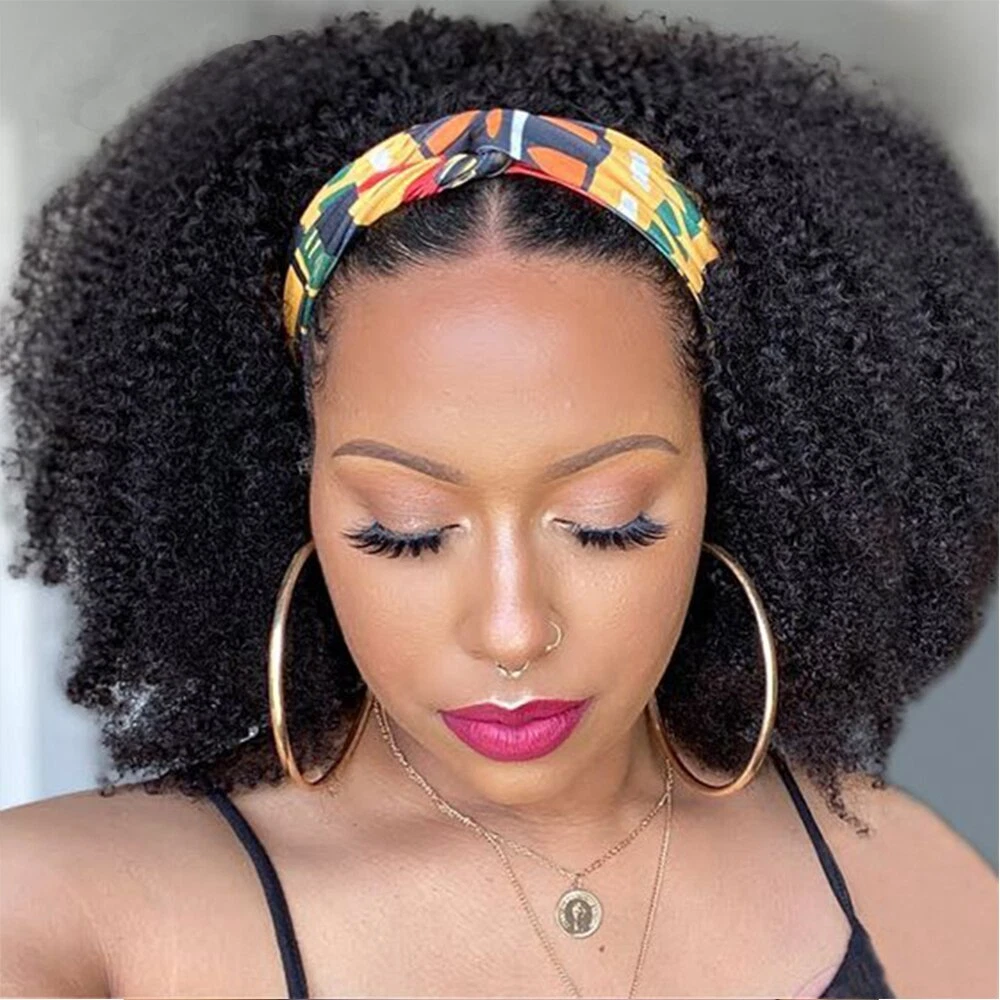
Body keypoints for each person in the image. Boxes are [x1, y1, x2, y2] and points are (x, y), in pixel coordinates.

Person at [0, 4, 996, 998]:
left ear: (729, 481)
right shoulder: (73, 915)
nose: (512, 630)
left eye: (611, 522)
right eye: (403, 532)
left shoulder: (902, 880)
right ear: (289, 494)